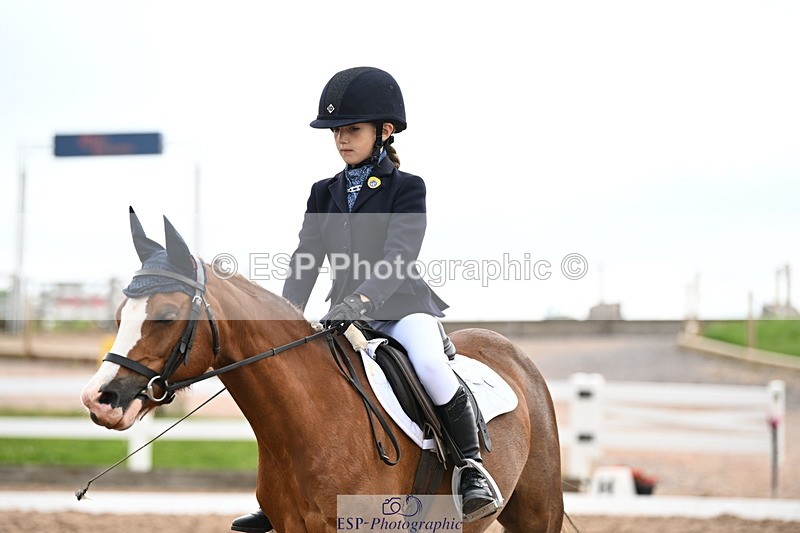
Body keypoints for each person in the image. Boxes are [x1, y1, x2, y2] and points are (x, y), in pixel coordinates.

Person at [231, 66, 496, 533]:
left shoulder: (407, 187)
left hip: (401, 308)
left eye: (352, 129)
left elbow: (399, 255)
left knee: (431, 365)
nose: (341, 140)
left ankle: (470, 468)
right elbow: (306, 259)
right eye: (336, 131)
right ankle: (284, 495)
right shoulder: (323, 192)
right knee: (299, 386)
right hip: (343, 316)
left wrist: (361, 300)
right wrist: (284, 317)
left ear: (384, 131)